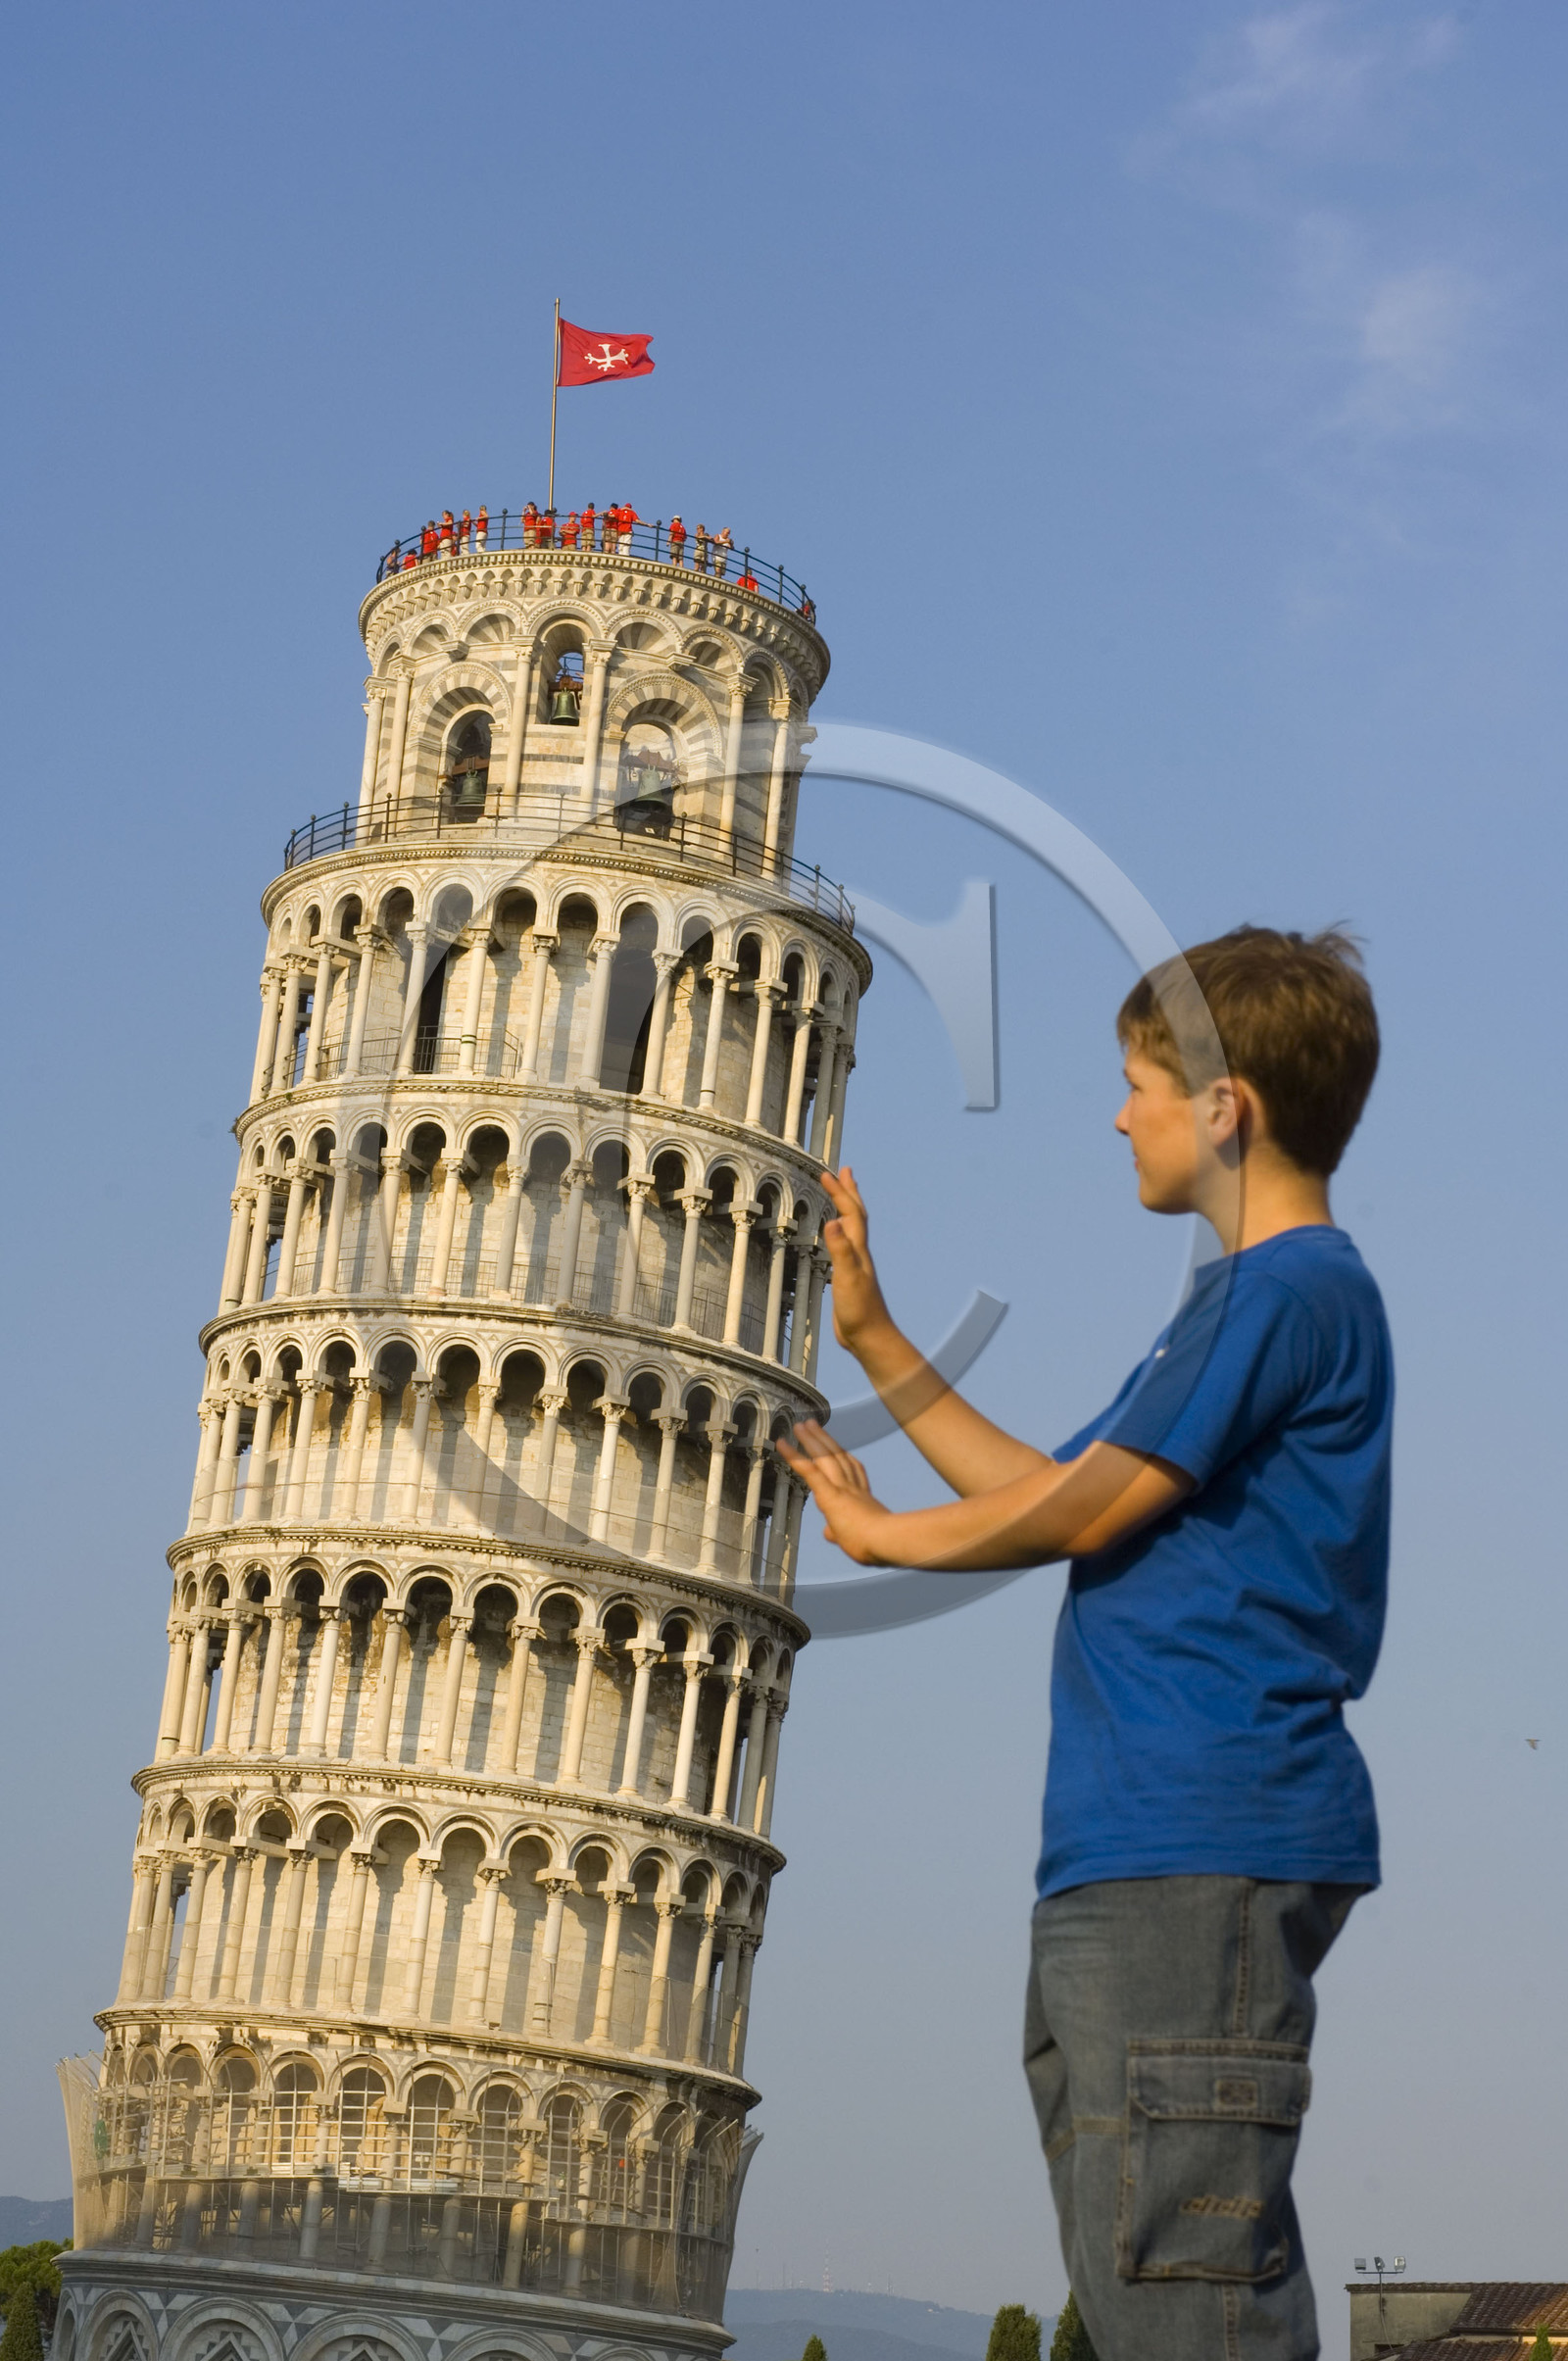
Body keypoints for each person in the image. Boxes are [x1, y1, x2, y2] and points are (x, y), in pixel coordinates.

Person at [780, 928, 1389, 2361]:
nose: (1121, 1114)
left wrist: (885, 1542)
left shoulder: (1284, 1290)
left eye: (1138, 1084)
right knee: (1150, 2277)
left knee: (1185, 2296)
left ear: (1224, 1106)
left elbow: (1085, 1502)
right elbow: (1056, 1485)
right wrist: (876, 1342)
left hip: (1198, 1839)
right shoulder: (1245, 1304)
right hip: (1143, 1851)